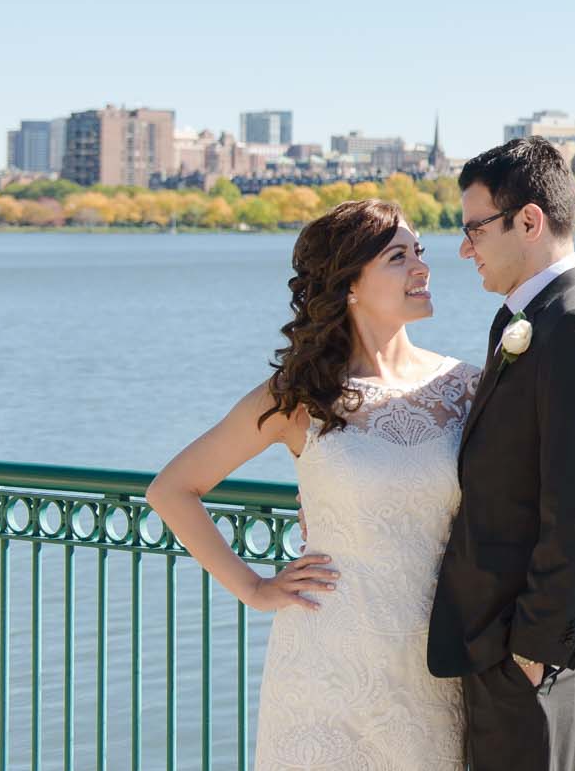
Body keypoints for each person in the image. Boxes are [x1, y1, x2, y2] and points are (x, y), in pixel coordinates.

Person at [148, 198, 477, 770]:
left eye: (419, 252)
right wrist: (254, 589)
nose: (423, 268)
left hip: (434, 662)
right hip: (324, 665)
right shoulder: (297, 397)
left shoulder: (467, 387)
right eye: (399, 257)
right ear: (349, 284)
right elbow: (172, 489)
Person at [428, 137, 575, 770]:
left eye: (475, 228)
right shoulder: (523, 319)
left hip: (533, 653)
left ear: (529, 221)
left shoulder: (574, 324)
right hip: (497, 639)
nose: (465, 248)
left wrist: (533, 650)